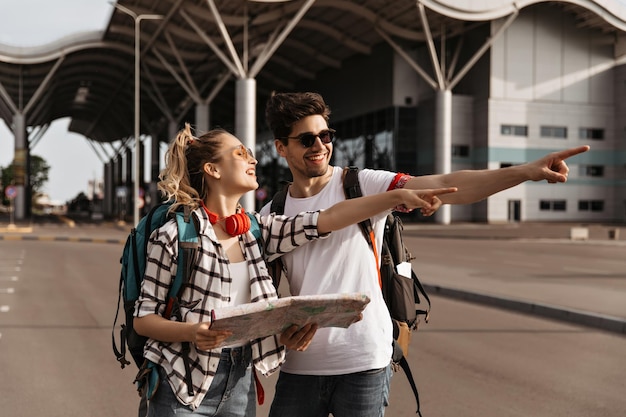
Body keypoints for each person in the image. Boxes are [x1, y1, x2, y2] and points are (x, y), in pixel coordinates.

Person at [260, 91, 591, 417]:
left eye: (325, 135)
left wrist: (524, 171)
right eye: (306, 140)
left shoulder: (361, 184)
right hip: (300, 366)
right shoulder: (272, 212)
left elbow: (447, 182)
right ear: (281, 147)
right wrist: (279, 330)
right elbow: (259, 295)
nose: (320, 146)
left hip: (364, 362)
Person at [133, 123, 457, 417]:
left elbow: (328, 218)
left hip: (240, 382)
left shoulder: (255, 231)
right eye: (240, 153)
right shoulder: (175, 236)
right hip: (182, 382)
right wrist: (193, 332)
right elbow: (144, 318)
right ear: (212, 169)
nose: (253, 160)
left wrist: (395, 196)